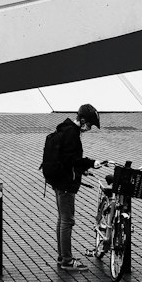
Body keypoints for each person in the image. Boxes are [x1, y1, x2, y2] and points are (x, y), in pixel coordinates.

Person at [50, 103, 100, 272]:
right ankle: (67, 261)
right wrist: (92, 163)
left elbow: (67, 159)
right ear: (83, 120)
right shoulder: (72, 134)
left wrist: (81, 171)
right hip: (65, 184)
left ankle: (62, 256)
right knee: (67, 221)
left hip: (58, 181)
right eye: (90, 124)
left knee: (62, 219)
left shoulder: (65, 128)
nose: (89, 128)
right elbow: (73, 160)